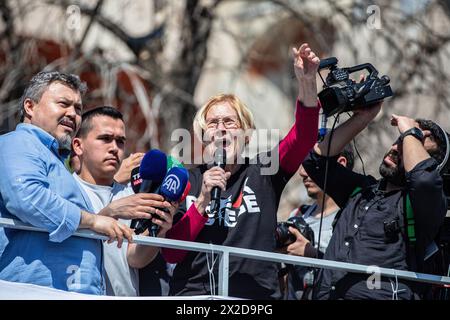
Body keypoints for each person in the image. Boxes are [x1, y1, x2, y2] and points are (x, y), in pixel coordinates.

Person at [162, 43, 321, 299]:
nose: (221, 129)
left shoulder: (264, 171)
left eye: (229, 122)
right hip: (194, 297)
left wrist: (307, 82)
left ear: (246, 135)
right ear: (203, 137)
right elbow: (171, 253)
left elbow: (304, 137)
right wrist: (202, 202)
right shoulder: (185, 179)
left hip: (254, 298)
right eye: (212, 123)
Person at [0, 71, 133, 294]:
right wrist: (92, 221)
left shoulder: (52, 157)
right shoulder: (17, 142)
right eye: (63, 104)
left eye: (78, 109)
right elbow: (27, 198)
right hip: (34, 291)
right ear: (30, 107)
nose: (72, 114)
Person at [302, 103, 449, 299]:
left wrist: (411, 132)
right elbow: (316, 162)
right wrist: (362, 118)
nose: (397, 148)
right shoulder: (362, 189)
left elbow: (423, 179)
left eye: (409, 145)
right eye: (399, 140)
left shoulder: (427, 205)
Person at [71, 106, 177, 296]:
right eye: (105, 139)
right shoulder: (64, 187)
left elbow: (135, 259)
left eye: (120, 141)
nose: (114, 148)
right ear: (78, 145)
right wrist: (110, 211)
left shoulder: (133, 195)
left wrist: (160, 230)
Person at [282, 145, 355, 299]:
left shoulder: (355, 219)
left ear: (341, 163)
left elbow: (358, 278)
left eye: (311, 162)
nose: (302, 172)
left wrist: (312, 255)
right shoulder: (296, 215)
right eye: (302, 162)